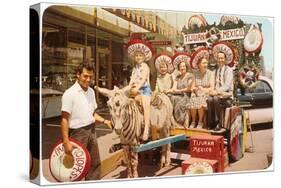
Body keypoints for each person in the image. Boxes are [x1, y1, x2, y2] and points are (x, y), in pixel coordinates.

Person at [60, 62, 112, 180]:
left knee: (94, 165)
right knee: (76, 168)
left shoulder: (91, 92)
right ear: (78, 75)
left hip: (91, 131)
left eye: (90, 77)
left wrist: (105, 121)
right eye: (85, 76)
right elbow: (64, 119)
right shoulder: (69, 94)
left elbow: (92, 113)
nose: (88, 79)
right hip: (77, 134)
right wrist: (66, 141)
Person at [127, 39, 153, 141]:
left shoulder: (145, 66)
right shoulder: (135, 68)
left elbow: (143, 79)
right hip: (134, 89)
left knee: (146, 105)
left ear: (144, 57)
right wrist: (128, 88)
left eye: (140, 56)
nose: (138, 57)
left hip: (144, 89)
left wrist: (138, 87)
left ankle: (146, 128)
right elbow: (132, 79)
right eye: (136, 55)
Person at [208, 51, 233, 130]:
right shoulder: (215, 71)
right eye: (218, 58)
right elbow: (213, 85)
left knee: (215, 99)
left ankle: (219, 122)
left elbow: (227, 86)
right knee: (209, 99)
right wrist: (211, 91)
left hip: (227, 96)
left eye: (222, 58)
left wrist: (216, 92)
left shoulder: (228, 70)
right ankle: (212, 122)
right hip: (217, 95)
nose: (220, 60)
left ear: (225, 59)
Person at [166, 60, 194, 129]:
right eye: (181, 66)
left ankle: (180, 122)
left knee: (176, 99)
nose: (182, 68)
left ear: (186, 67)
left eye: (184, 66)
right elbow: (174, 88)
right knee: (170, 97)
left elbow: (189, 88)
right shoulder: (178, 77)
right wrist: (168, 90)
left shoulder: (190, 75)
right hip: (178, 94)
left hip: (186, 95)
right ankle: (173, 121)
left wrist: (179, 90)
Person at [189, 57, 214, 129]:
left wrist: (203, 89)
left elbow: (212, 87)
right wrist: (195, 89)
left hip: (206, 93)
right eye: (204, 63)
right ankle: (193, 121)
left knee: (200, 99)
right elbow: (192, 88)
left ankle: (200, 121)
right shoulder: (195, 73)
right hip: (197, 93)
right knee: (193, 98)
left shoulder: (210, 73)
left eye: (206, 63)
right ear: (199, 64)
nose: (206, 64)